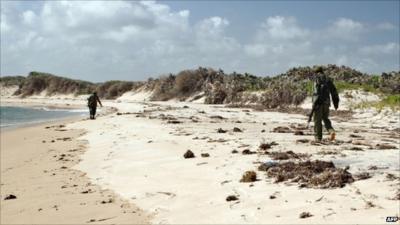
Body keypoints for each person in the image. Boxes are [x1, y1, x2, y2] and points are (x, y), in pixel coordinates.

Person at [311, 66, 339, 142]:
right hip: (326, 102)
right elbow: (334, 91)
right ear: (322, 71)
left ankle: (318, 138)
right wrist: (336, 103)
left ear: (316, 72)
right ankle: (331, 131)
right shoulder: (327, 79)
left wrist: (314, 102)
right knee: (325, 118)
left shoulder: (316, 79)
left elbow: (316, 92)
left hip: (318, 103)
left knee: (317, 120)